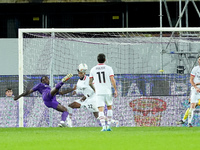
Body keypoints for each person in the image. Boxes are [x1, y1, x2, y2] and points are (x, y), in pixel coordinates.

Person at [66, 63, 119, 128]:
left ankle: (114, 121)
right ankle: (69, 123)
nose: (79, 74)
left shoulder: (89, 79)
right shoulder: (78, 82)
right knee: (70, 106)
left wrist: (86, 96)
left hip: (92, 99)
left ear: (84, 73)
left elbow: (94, 89)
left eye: (81, 73)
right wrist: (75, 91)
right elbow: (81, 89)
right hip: (85, 100)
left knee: (98, 116)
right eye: (79, 73)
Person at [89, 53, 118, 131]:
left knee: (100, 110)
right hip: (108, 91)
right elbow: (112, 79)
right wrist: (115, 90)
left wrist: (95, 89)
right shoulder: (109, 68)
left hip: (99, 92)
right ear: (105, 60)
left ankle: (103, 127)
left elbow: (90, 82)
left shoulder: (93, 69)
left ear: (97, 60)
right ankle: (108, 125)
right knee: (109, 107)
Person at [184, 56, 200, 127]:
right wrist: (196, 87)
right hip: (195, 89)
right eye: (199, 59)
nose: (199, 61)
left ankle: (183, 120)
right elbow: (191, 80)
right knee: (192, 105)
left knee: (195, 105)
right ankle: (189, 123)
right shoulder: (195, 69)